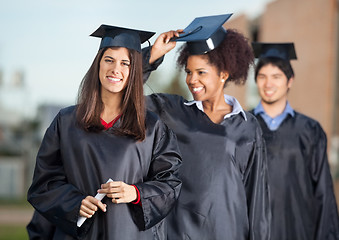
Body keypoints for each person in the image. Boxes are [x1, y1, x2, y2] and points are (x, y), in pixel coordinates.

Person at [26, 24, 182, 239]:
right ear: (98, 64)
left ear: (133, 71)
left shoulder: (152, 126)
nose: (115, 69)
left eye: (125, 63)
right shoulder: (66, 121)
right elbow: (44, 183)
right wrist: (74, 203)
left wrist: (135, 193)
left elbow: (170, 183)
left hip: (129, 232)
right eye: (109, 60)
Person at [144, 14, 270, 240]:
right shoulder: (174, 111)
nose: (192, 80)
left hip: (229, 232)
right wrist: (152, 57)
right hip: (179, 232)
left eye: (201, 72)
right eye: (189, 72)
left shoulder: (248, 126)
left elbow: (257, 195)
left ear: (223, 74)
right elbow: (125, 98)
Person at [250, 42, 339, 240]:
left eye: (276, 77)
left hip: (298, 229)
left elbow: (323, 191)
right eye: (262, 76)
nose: (268, 84)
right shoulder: (242, 126)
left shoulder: (309, 130)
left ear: (290, 81)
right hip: (251, 231)